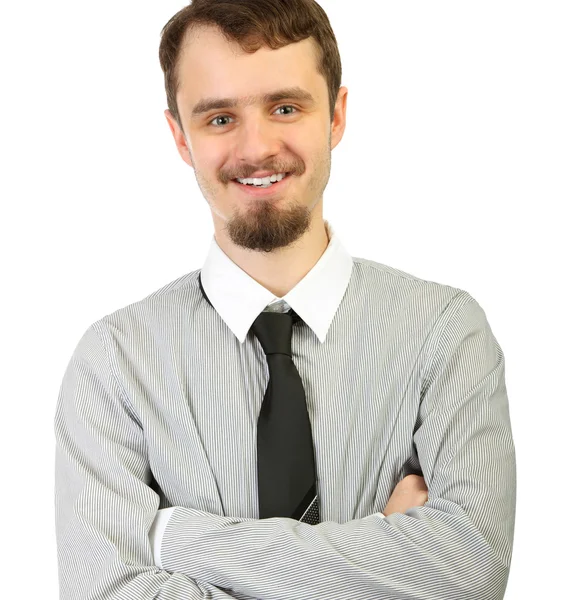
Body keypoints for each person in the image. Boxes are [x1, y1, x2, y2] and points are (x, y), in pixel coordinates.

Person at [54, 1, 516, 599]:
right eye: (219, 118)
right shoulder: (112, 364)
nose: (256, 148)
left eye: (286, 107)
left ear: (337, 116)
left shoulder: (445, 334)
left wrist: (174, 537)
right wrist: (384, 547)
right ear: (180, 137)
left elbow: (469, 573)